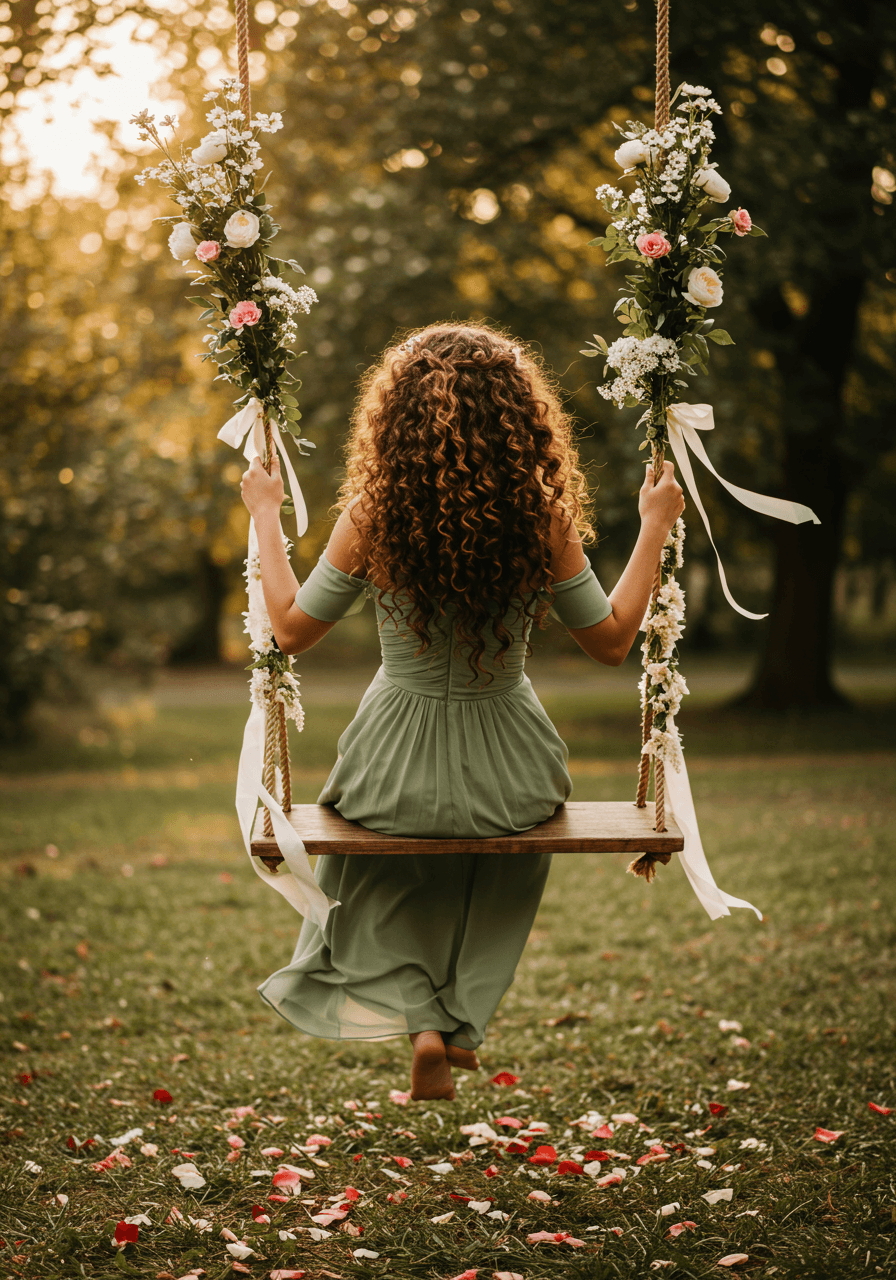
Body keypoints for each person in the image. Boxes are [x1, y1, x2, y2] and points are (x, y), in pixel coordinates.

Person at [239, 321, 684, 1101]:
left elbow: (290, 630)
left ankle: (423, 1023)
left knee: (376, 870)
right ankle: (458, 1021)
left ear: (396, 418)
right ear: (520, 417)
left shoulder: (372, 516)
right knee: (508, 857)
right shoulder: (541, 518)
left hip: (389, 768)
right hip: (513, 773)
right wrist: (654, 526)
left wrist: (266, 514)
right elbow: (614, 640)